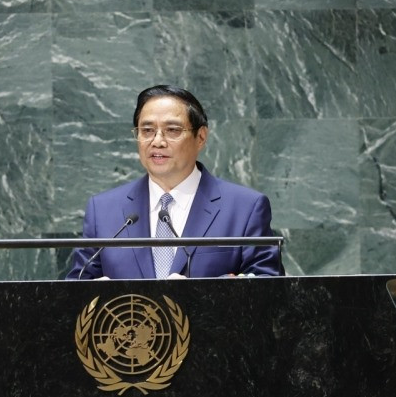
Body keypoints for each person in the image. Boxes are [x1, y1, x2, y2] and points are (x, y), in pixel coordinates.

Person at [66, 85, 284, 279]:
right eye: (147, 130)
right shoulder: (103, 210)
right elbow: (73, 291)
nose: (158, 141)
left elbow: (267, 286)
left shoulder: (245, 208)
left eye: (172, 130)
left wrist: (200, 296)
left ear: (201, 137)